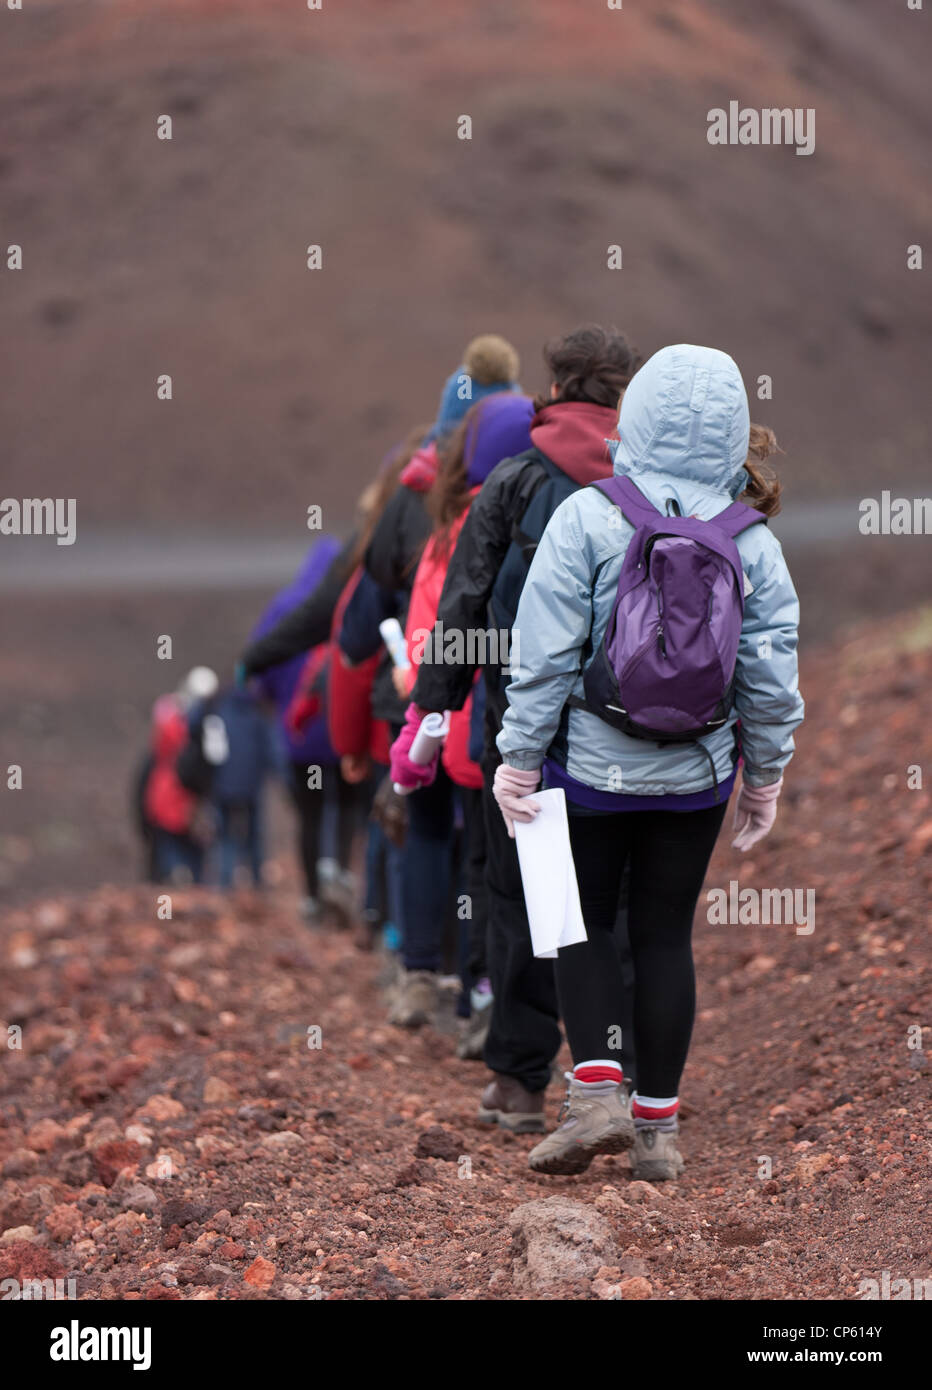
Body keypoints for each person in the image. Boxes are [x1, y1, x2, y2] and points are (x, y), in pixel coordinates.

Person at [493, 343, 805, 1179]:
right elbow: (770, 680)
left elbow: (543, 657)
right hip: (696, 779)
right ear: (736, 431)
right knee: (666, 938)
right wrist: (764, 775)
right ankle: (658, 1133)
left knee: (576, 924)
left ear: (637, 421)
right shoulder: (753, 542)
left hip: (586, 770)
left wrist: (519, 757)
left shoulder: (590, 516)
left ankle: (596, 1094)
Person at [409, 324, 642, 1130]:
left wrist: (431, 709)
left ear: (557, 385)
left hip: (525, 734)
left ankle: (518, 1082)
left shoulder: (513, 479)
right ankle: (627, 1081)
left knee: (522, 903)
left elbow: (464, 603)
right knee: (611, 909)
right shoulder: (657, 472)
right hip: (638, 737)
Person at [389, 393, 535, 1030]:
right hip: (525, 732)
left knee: (471, 860)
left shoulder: (449, 530)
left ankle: (461, 986)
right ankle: (509, 1006)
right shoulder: (553, 510)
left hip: (462, 730)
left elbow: (433, 633)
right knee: (517, 872)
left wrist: (420, 717)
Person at [200, 684, 281, 889]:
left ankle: (225, 883)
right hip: (251, 787)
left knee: (226, 835)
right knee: (254, 835)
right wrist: (282, 777)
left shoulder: (219, 711)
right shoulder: (257, 715)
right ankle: (257, 882)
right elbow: (271, 750)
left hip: (223, 787)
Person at [143, 666, 219, 883]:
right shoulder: (205, 730)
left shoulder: (169, 724)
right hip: (187, 802)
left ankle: (178, 881)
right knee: (189, 855)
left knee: (174, 851)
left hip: (169, 799)